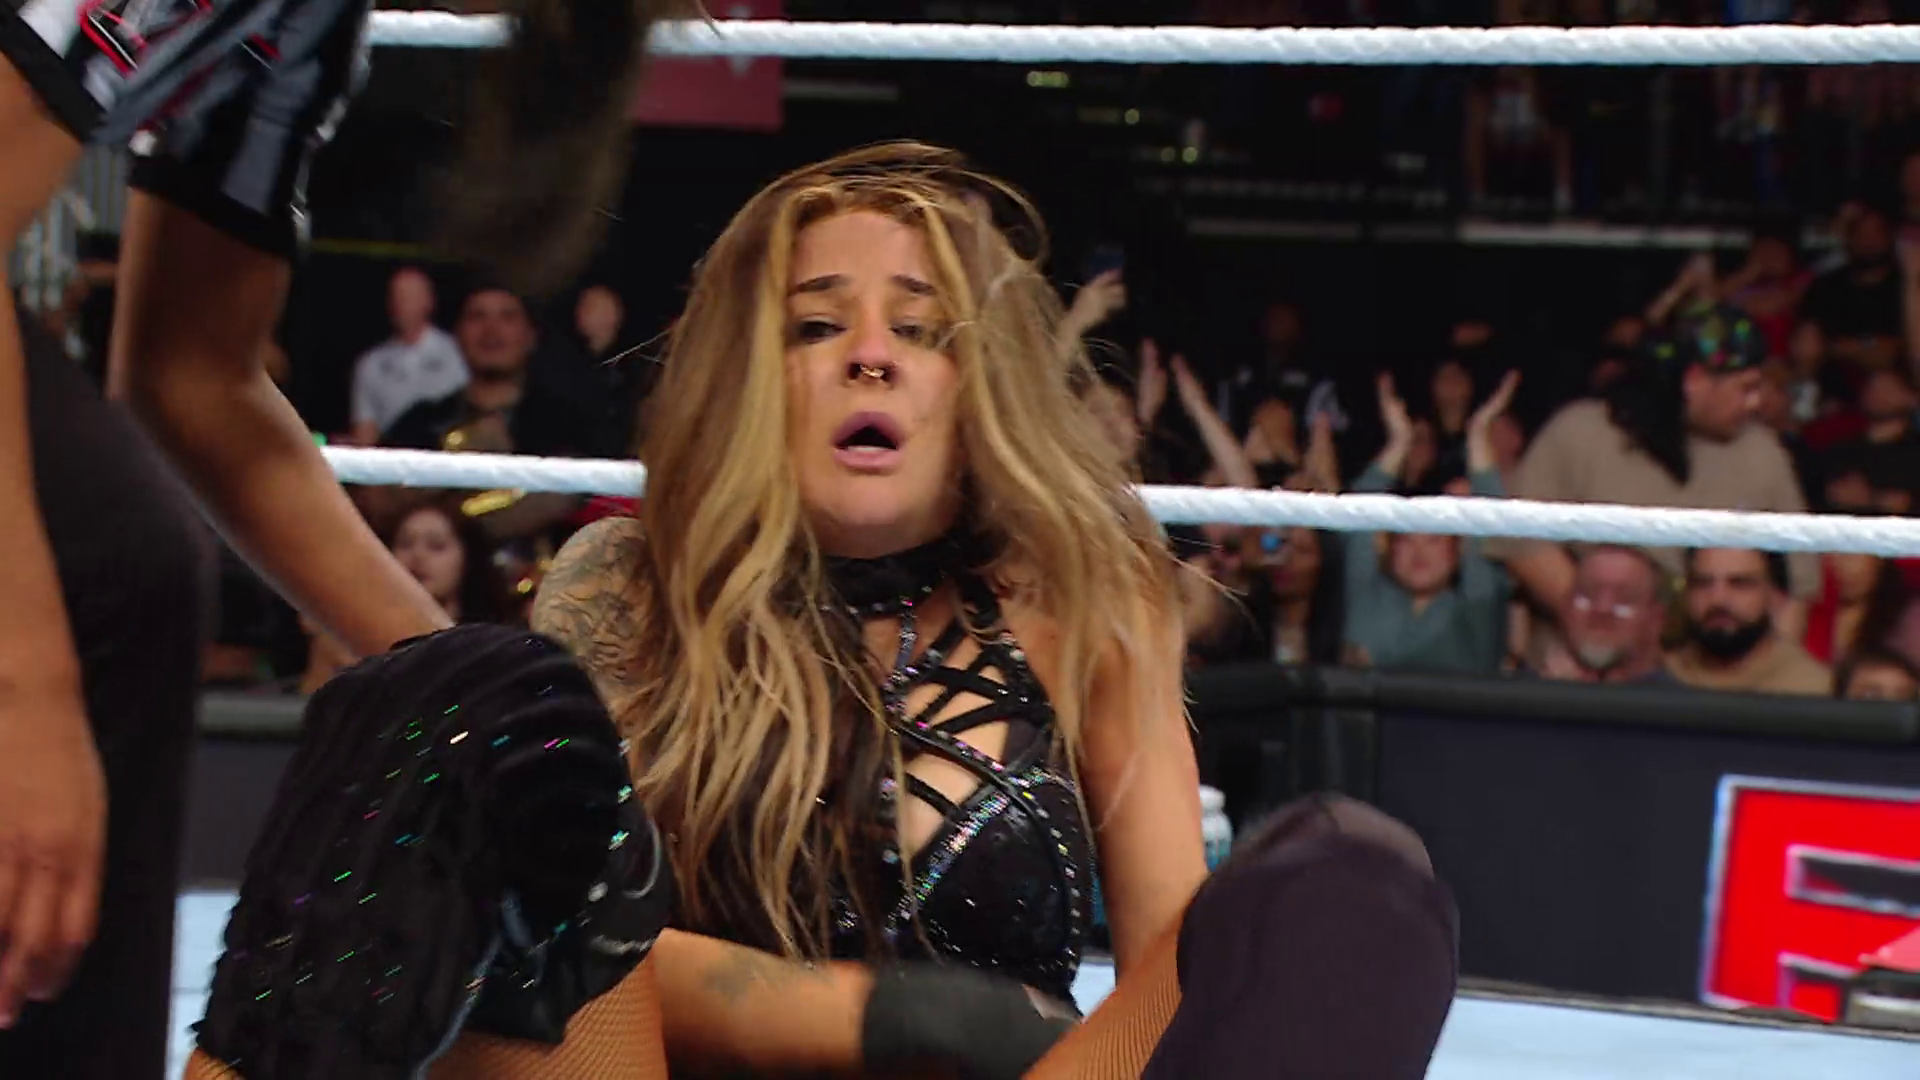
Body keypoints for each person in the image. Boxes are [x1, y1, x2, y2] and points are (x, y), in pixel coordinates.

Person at [522, 143, 1458, 1077]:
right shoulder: (629, 586)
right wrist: (895, 1018)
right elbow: (546, 943)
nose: (871, 356)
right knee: (476, 740)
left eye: (922, 329)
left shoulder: (1078, 595)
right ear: (745, 374)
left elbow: (1172, 984)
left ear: (983, 385)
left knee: (1352, 881)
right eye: (816, 326)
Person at [0, 0, 691, 1073]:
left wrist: (480, 709)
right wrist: (26, 693)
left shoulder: (303, 28)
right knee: (110, 564)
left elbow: (195, 374)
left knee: (120, 562)